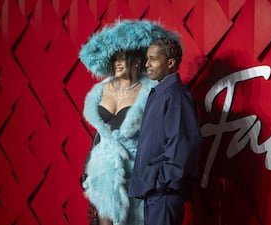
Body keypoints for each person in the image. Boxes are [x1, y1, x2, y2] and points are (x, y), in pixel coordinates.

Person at [79, 20, 179, 225]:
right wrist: (89, 165)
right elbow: (100, 132)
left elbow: (161, 135)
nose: (117, 62)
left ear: (137, 60)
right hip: (103, 172)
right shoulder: (101, 90)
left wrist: (156, 176)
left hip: (135, 170)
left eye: (123, 57)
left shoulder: (151, 90)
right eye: (114, 57)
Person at [128, 37, 202, 225]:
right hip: (155, 191)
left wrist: (161, 183)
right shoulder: (160, 93)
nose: (147, 64)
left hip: (164, 193)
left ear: (170, 63)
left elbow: (181, 145)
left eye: (153, 59)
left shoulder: (176, 95)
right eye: (147, 59)